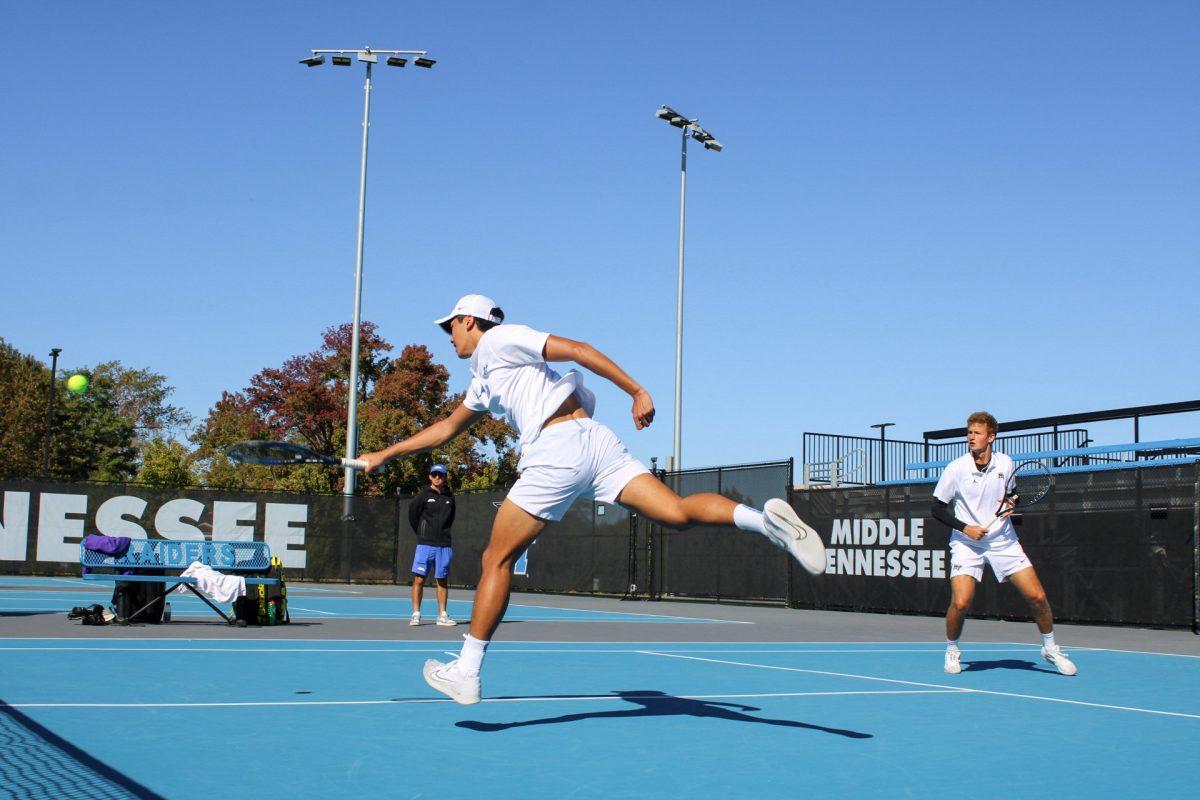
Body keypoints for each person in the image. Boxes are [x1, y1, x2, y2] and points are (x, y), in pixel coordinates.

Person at [360, 293, 826, 704]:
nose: (448, 336)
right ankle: (765, 523)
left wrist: (637, 390)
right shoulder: (484, 377)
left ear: (471, 321)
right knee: (677, 513)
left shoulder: (501, 340)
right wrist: (386, 453)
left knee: (495, 560)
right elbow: (446, 428)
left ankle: (467, 670)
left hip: (557, 448)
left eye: (451, 325)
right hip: (596, 443)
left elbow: (578, 350)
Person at [930, 411, 1077, 677]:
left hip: (1003, 541)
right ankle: (952, 649)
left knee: (1038, 597)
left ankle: (1050, 647)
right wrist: (966, 528)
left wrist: (1013, 503)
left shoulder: (1006, 464)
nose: (971, 437)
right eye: (969, 433)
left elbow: (1012, 495)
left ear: (991, 437)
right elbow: (936, 509)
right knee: (961, 602)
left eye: (977, 433)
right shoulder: (955, 468)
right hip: (966, 543)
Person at [408, 463, 457, 627]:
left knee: (442, 580)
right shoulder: (422, 496)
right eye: (435, 474)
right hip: (425, 545)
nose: (437, 477)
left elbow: (451, 518)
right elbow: (413, 516)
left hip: (444, 544)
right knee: (419, 579)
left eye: (441, 475)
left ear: (445, 477)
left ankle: (442, 615)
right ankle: (416, 614)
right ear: (430, 476)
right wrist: (422, 534)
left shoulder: (450, 497)